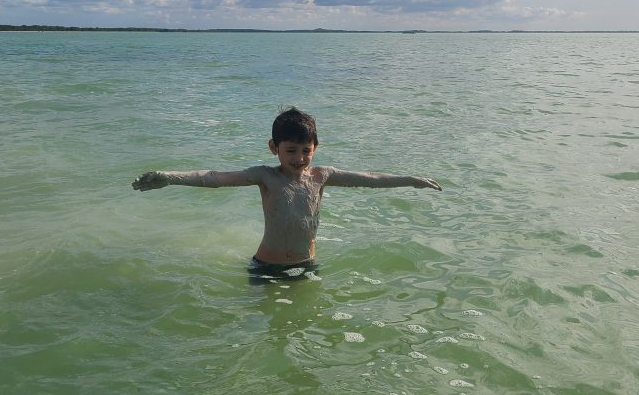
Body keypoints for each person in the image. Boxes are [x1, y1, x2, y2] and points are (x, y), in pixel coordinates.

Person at [133, 107, 441, 280]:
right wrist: (168, 177)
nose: (299, 158)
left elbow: (371, 178)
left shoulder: (323, 176)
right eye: (291, 150)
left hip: (307, 265)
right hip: (266, 267)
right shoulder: (265, 176)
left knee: (305, 325)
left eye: (306, 150)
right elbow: (213, 178)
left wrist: (411, 180)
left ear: (315, 148)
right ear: (274, 148)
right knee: (269, 333)